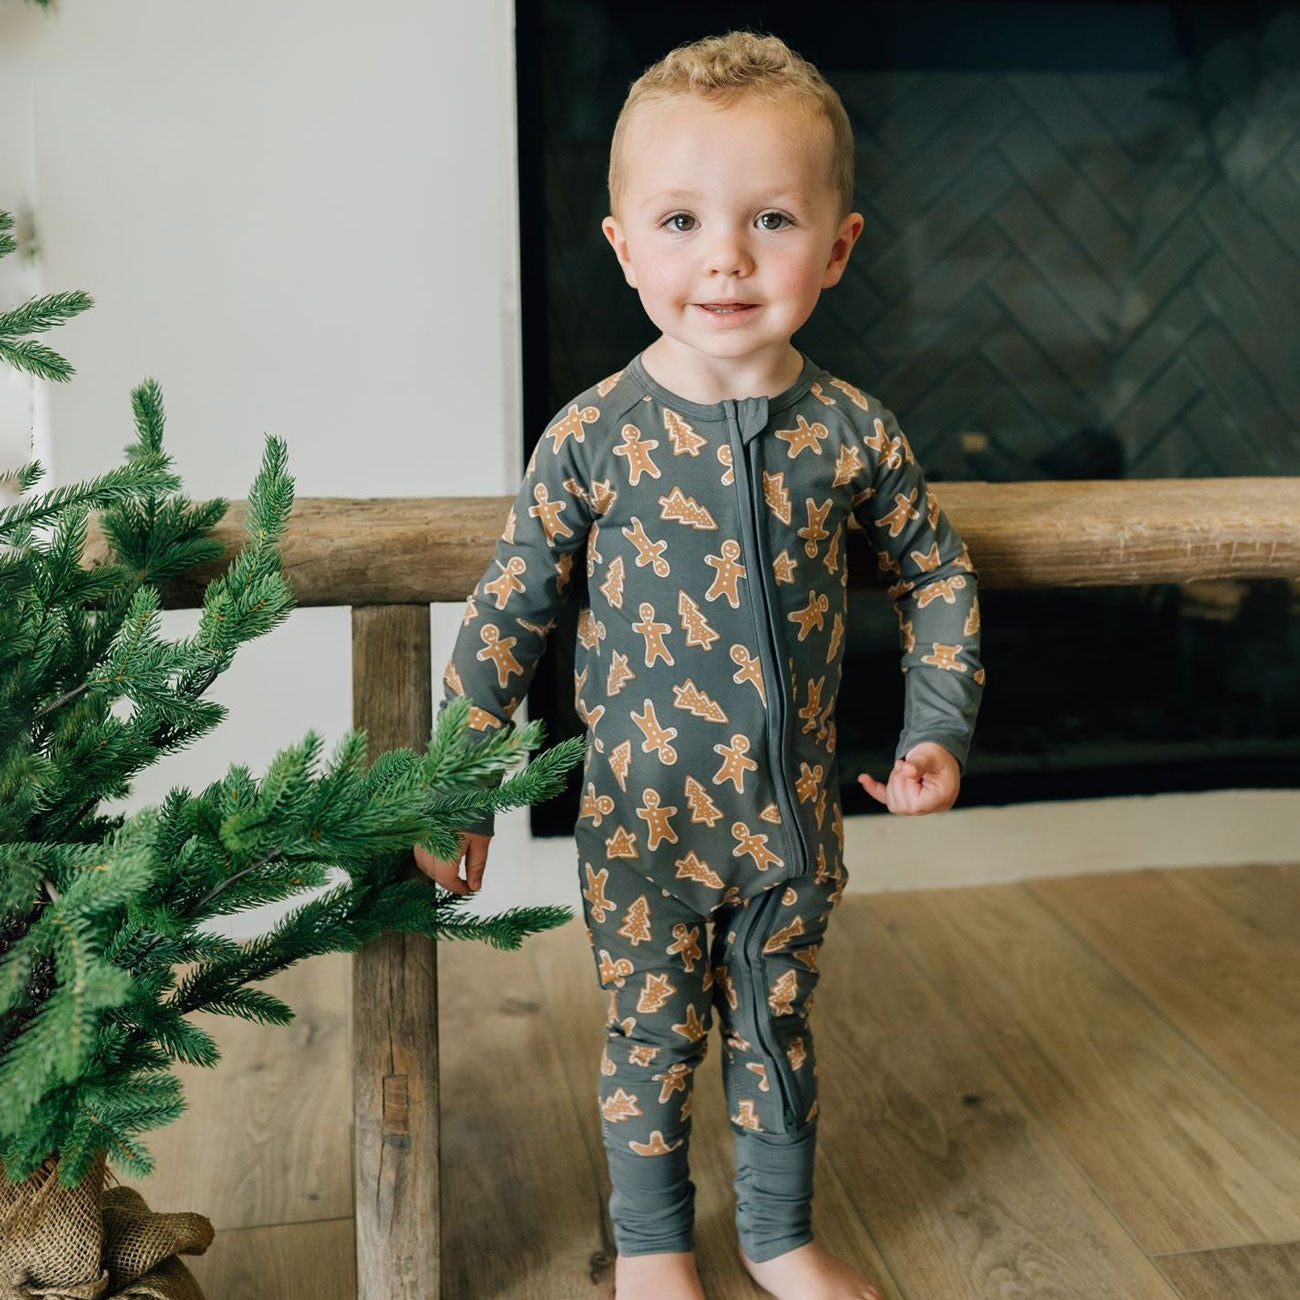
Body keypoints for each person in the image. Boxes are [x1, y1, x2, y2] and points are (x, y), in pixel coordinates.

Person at [414, 29, 985, 1300]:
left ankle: (777, 1238)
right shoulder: (592, 437)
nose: (725, 256)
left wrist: (934, 727)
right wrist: (456, 785)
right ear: (623, 247)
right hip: (641, 828)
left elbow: (936, 573)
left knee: (777, 1034)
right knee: (651, 1039)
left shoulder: (852, 433)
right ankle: (653, 1249)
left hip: (790, 828)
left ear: (836, 247)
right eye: (680, 221)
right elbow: (507, 613)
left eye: (770, 218)